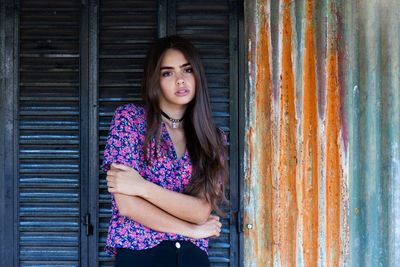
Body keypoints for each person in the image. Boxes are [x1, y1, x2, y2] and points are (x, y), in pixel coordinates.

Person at [101, 35, 229, 267]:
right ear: (155, 81)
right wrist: (192, 230)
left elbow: (201, 210)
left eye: (187, 70)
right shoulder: (129, 120)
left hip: (192, 258)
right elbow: (128, 206)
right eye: (167, 73)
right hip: (140, 255)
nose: (180, 80)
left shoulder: (213, 139)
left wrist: (142, 187)